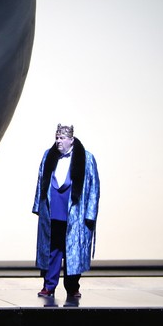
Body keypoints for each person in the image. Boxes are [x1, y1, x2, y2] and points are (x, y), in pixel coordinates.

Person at [31, 123, 100, 301]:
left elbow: (94, 187)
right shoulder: (48, 155)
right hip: (52, 210)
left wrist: (90, 214)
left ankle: (72, 287)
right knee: (52, 249)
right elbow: (41, 180)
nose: (58, 141)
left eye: (62, 138)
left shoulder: (86, 158)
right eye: (57, 138)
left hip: (75, 213)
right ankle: (49, 285)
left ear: (71, 140)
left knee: (72, 251)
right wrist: (38, 206)